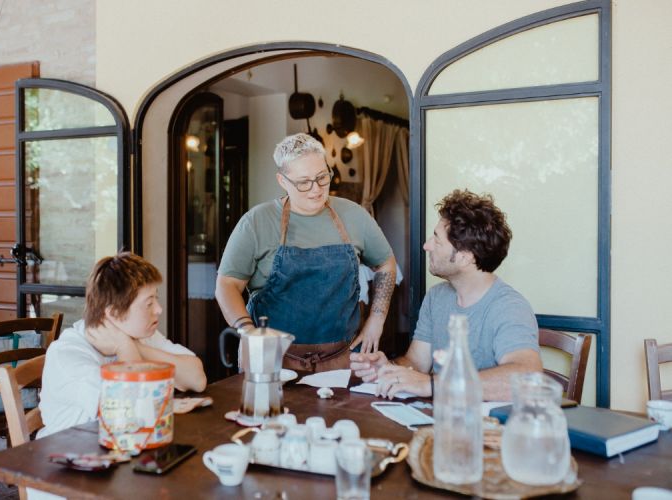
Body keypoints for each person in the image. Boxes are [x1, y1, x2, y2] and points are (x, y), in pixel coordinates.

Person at [216, 133, 397, 372]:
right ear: (282, 180)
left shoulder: (354, 216)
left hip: (342, 358)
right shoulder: (257, 222)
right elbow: (227, 284)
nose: (316, 189)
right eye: (303, 182)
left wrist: (377, 319)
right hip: (272, 360)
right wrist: (248, 332)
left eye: (322, 178)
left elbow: (386, 263)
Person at [350, 189, 542, 401]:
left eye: (437, 240)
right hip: (441, 420)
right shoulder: (436, 297)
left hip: (486, 429)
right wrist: (389, 369)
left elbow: (527, 377)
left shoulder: (509, 307)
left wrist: (432, 385)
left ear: (464, 258)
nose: (426, 246)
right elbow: (417, 362)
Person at [38, 252, 207, 438]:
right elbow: (130, 414)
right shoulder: (68, 354)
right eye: (148, 303)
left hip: (119, 450)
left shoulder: (138, 335)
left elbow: (197, 380)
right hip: (66, 458)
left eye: (155, 299)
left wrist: (134, 346)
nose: (158, 309)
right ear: (113, 314)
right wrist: (124, 346)